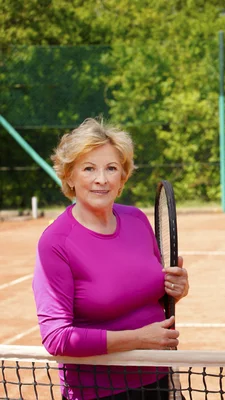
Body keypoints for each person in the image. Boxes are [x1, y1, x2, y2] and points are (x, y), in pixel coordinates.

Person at [32, 118, 190, 400]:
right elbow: (56, 338)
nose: (101, 179)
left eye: (111, 168)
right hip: (98, 390)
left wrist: (177, 289)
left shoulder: (137, 219)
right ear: (69, 176)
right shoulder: (56, 242)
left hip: (157, 377)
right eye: (89, 168)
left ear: (123, 177)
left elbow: (147, 296)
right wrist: (139, 339)